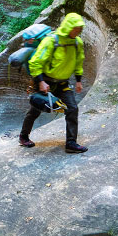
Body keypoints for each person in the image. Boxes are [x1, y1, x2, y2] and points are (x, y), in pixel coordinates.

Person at [19, 12, 88, 153]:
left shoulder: (77, 43)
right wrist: (41, 82)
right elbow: (35, 62)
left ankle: (71, 143)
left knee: (72, 109)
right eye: (76, 28)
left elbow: (79, 62)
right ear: (69, 27)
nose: (78, 31)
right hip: (46, 82)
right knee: (35, 111)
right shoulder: (51, 41)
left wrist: (79, 80)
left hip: (63, 83)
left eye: (80, 29)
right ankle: (23, 136)